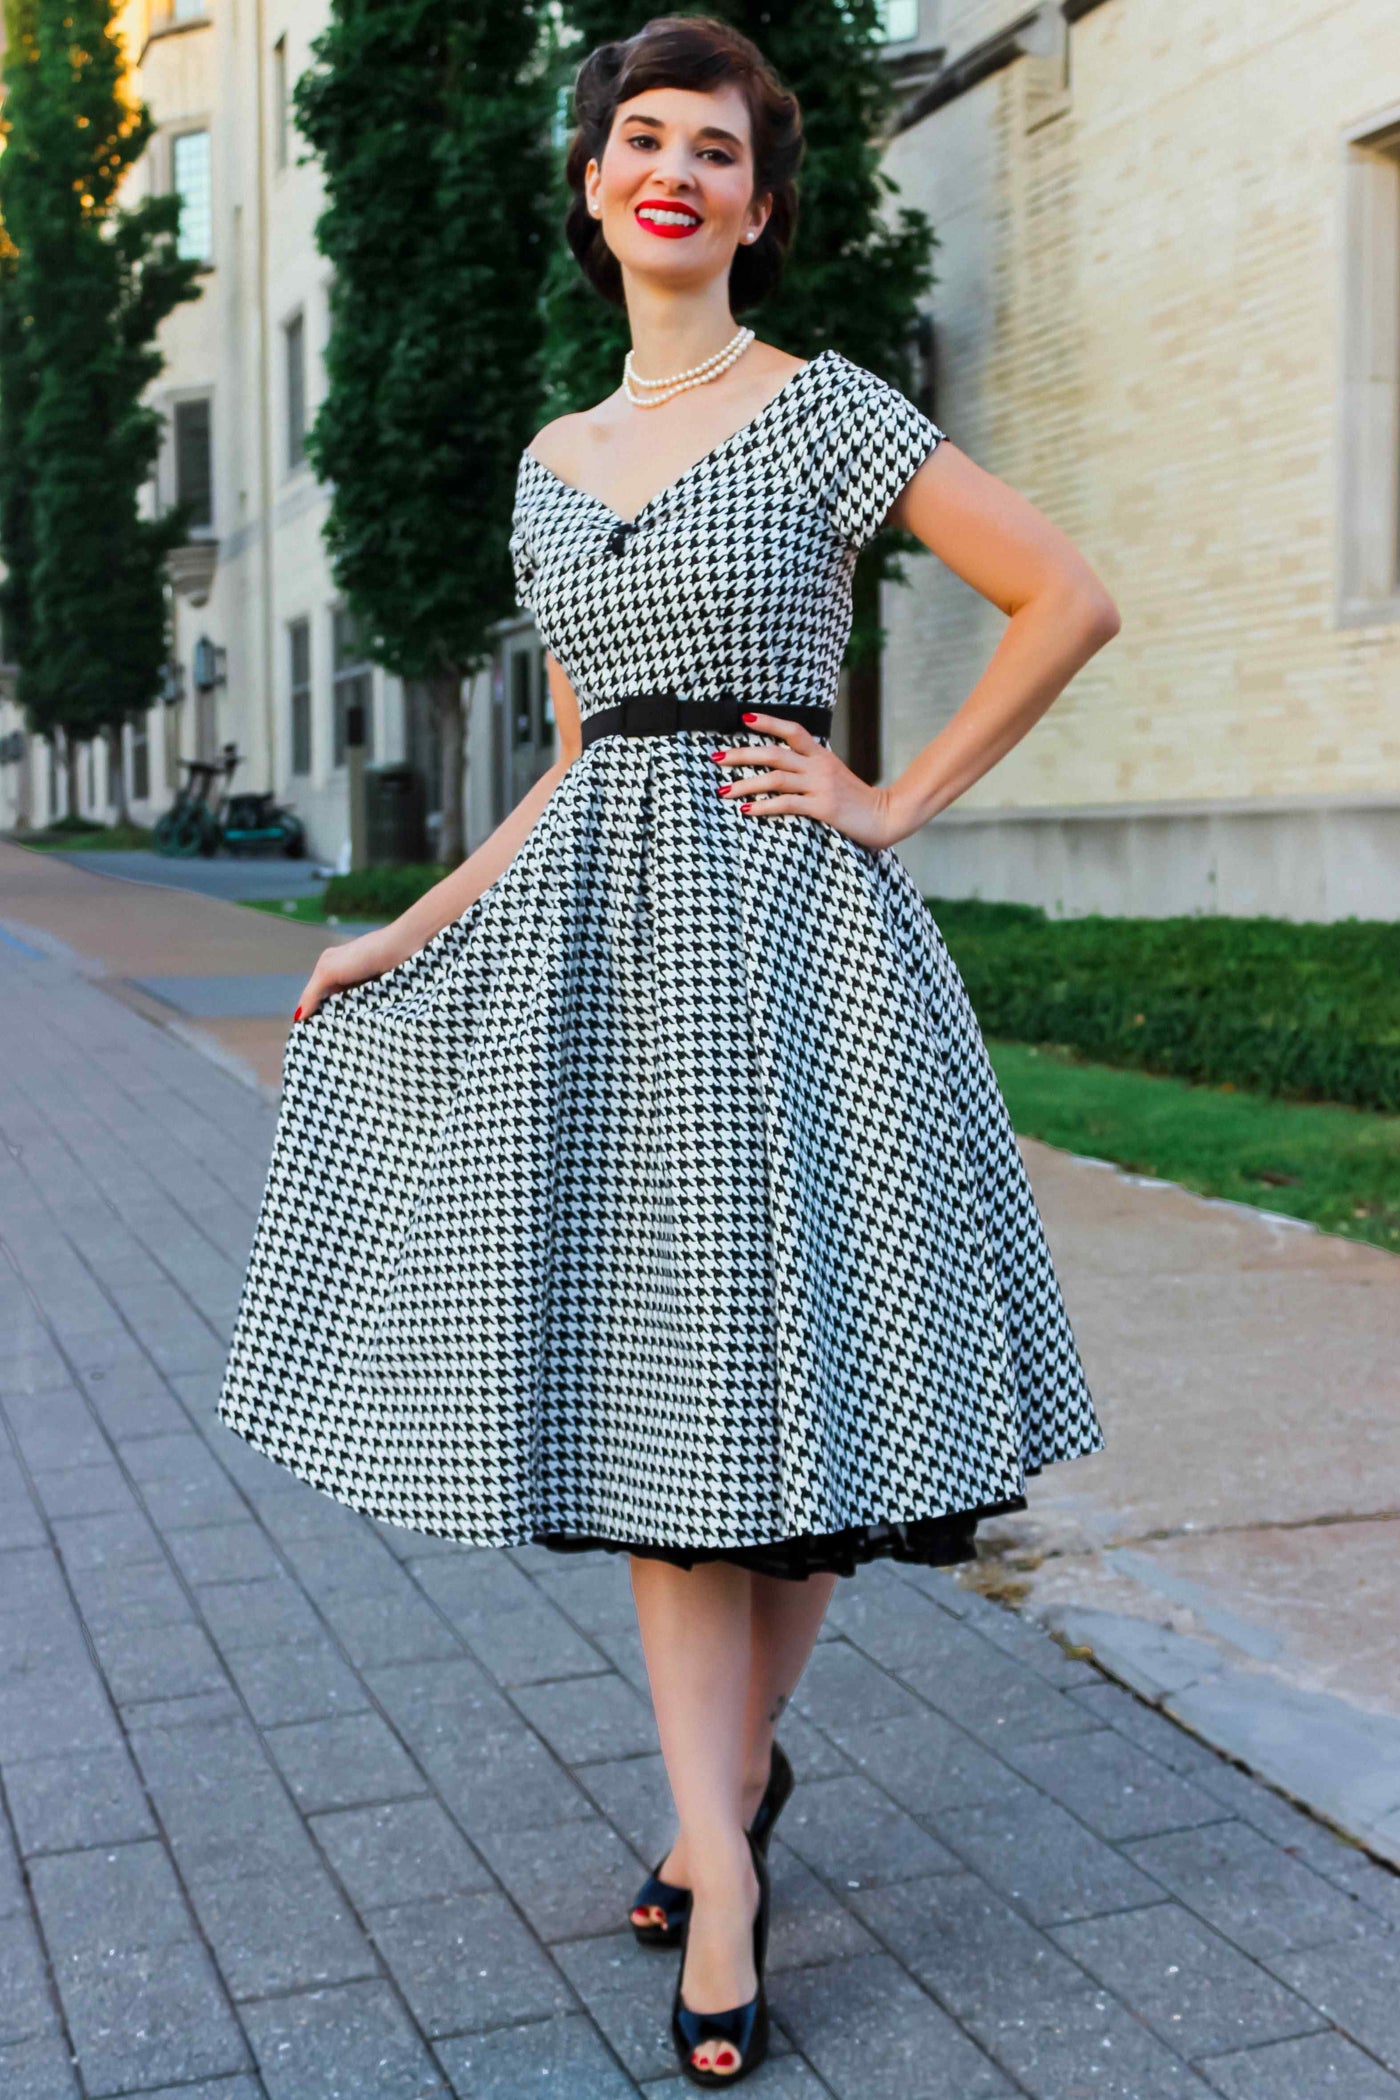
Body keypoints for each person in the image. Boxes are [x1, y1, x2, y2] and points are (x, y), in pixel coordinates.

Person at [218, 14, 1117, 2086]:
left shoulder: (824, 415)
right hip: (599, 978)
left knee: (797, 1442)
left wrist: (895, 800)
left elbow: (1063, 594)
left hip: (797, 954)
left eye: (718, 149)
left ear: (762, 206)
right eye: (644, 138)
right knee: (665, 1429)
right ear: (594, 182)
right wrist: (407, 923)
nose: (678, 173)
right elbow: (563, 764)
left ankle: (719, 1812)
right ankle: (721, 1845)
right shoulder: (547, 463)